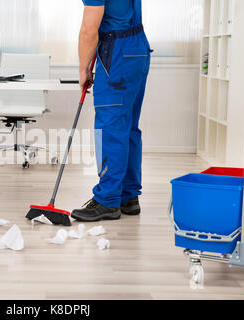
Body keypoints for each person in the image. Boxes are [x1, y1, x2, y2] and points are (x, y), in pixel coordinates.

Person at [71, 0, 152, 222]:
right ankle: (128, 196)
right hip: (138, 48)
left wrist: (82, 69)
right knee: (128, 127)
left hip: (117, 52)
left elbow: (89, 29)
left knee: (111, 128)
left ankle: (107, 200)